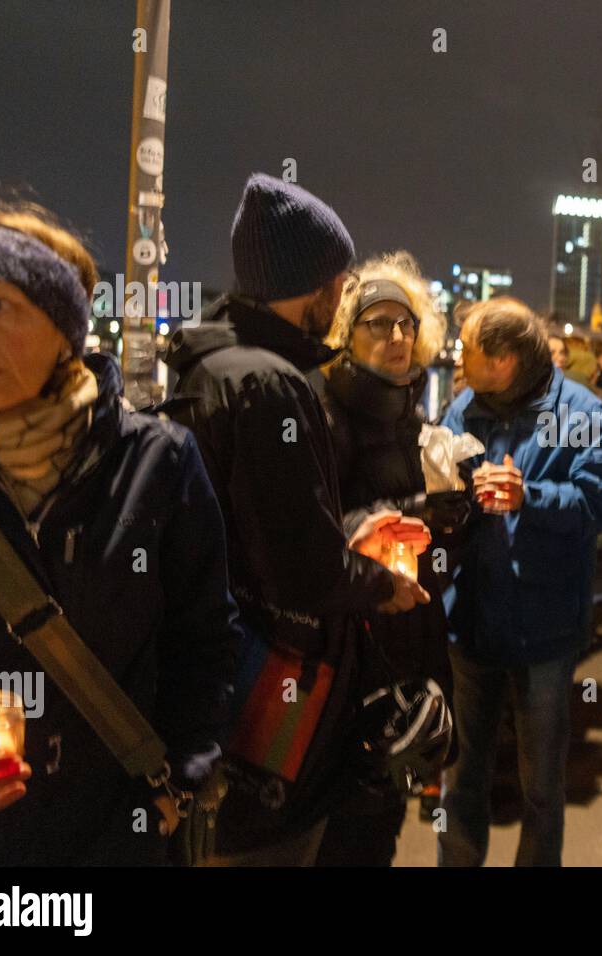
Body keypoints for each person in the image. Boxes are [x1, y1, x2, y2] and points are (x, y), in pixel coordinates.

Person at [0, 207, 238, 865]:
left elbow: (203, 642)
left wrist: (179, 785)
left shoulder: (158, 463)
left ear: (66, 329)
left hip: (112, 839)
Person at [163, 174, 428, 866]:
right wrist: (379, 583)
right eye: (338, 280)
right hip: (270, 682)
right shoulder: (271, 386)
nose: (340, 294)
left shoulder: (209, 364)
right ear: (315, 284)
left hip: (214, 663)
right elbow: (302, 564)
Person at [438, 296, 602, 866]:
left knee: (540, 786)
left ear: (506, 358)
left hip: (545, 630)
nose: (457, 360)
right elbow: (442, 496)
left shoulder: (582, 413)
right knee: (462, 777)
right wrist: (450, 497)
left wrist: (530, 497)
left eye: (467, 351)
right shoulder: (464, 409)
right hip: (470, 621)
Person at [309, 252, 464, 864]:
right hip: (341, 645)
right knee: (341, 822)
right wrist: (399, 513)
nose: (397, 336)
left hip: (404, 632)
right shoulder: (322, 409)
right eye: (378, 322)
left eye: (406, 323)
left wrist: (453, 513)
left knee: (383, 817)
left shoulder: (413, 414)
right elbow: (307, 528)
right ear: (347, 332)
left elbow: (427, 540)